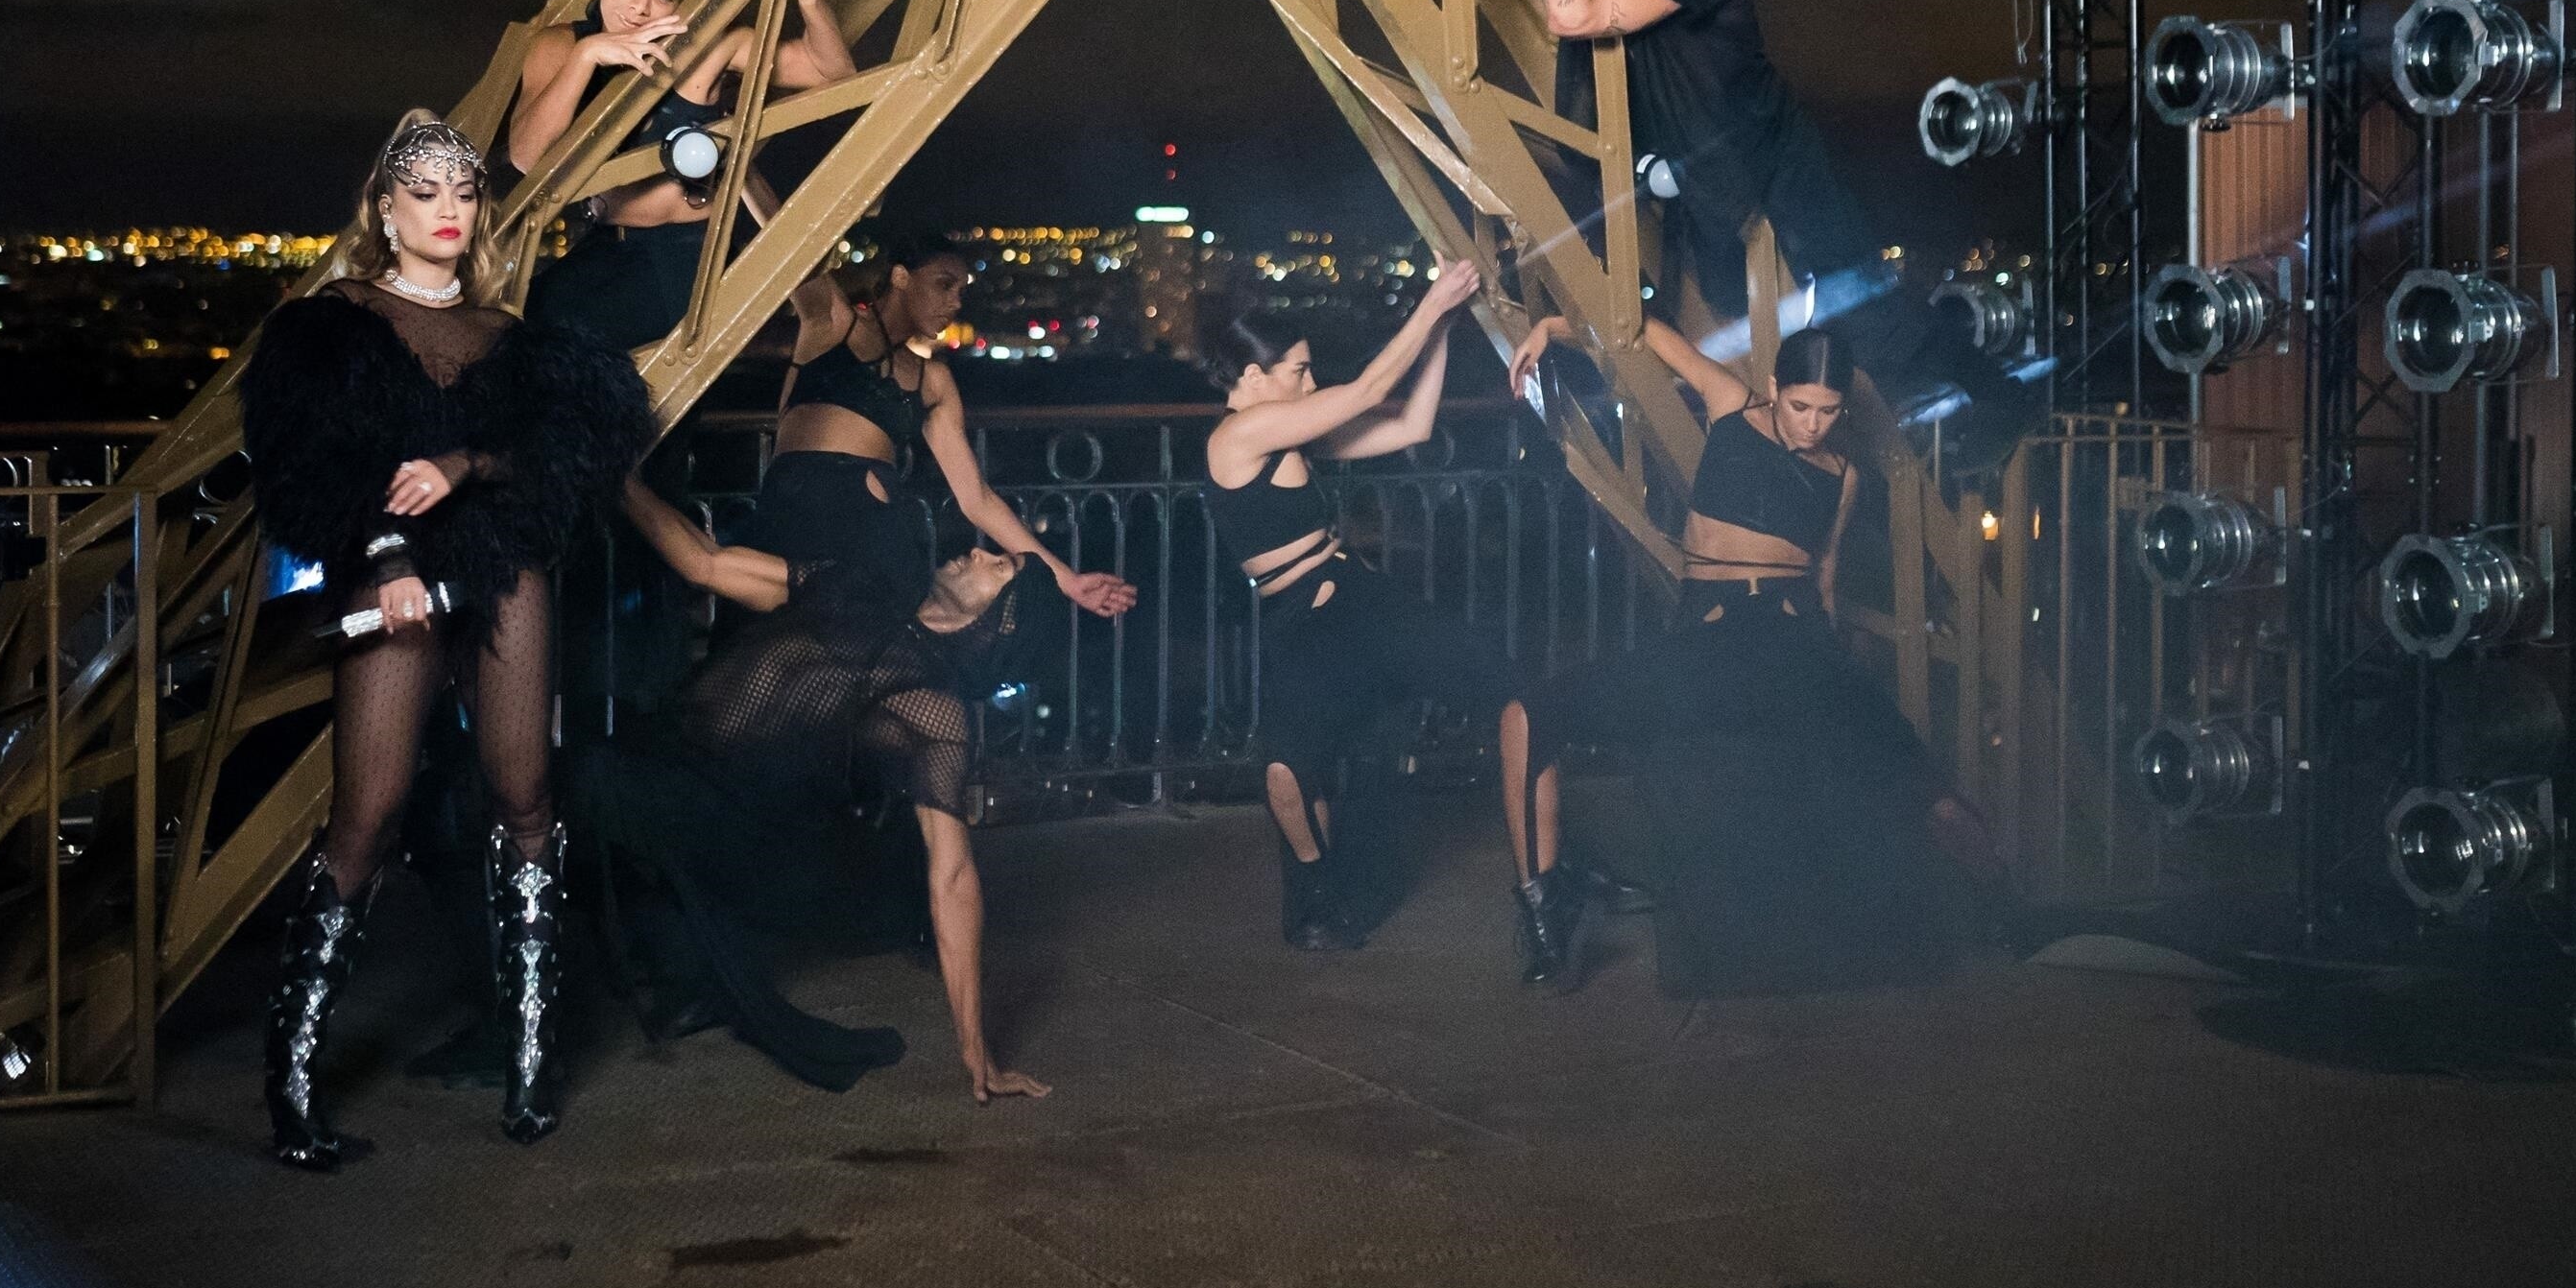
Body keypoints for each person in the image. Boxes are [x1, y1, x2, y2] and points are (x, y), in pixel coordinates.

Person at [238, 110, 650, 1163]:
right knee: (369, 810)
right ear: (385, 210)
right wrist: (387, 558)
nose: (448, 212)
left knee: (525, 795)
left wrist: (466, 464)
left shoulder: (508, 336)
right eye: (424, 194)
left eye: (463, 193)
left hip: (501, 560)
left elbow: (566, 455)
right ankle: (290, 1083)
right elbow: (311, 463)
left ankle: (531, 1064)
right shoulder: (333, 322)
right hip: (393, 571)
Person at [1504, 311, 1989, 991]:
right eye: (1800, 406)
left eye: (1829, 411)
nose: (1813, 425)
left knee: (1909, 768)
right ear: (1774, 387)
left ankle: (1996, 901)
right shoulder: (1731, 406)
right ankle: (1545, 915)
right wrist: (1550, 328)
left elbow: (1825, 575)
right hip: (1706, 633)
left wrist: (1832, 667)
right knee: (1527, 716)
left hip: (1789, 636)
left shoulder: (1842, 474)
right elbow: (1639, 329)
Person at [1529, 0, 2009, 448]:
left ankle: (1997, 400)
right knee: (1723, 304)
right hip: (1701, 159)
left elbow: (1572, 15)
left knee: (1864, 302)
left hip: (1772, 143)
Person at [578, 488, 1055, 1103]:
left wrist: (975, 1051)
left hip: (720, 820)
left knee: (567, 797)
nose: (980, 552)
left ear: (1000, 623)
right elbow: (706, 563)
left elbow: (954, 875)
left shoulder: (932, 710)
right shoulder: (858, 586)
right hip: (658, 750)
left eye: (1001, 567)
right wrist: (619, 478)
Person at [1200, 259, 1553, 966]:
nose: (1310, 382)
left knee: (1516, 693)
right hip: (1303, 621)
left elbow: (1412, 424)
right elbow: (1366, 388)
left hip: (1359, 600)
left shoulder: (1289, 434)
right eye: (1299, 371)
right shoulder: (1235, 436)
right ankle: (1315, 898)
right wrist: (1431, 303)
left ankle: (1545, 891)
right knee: (1289, 764)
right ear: (1253, 378)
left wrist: (1443, 329)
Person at [508, 0, 854, 351]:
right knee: (511, 328)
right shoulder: (561, 46)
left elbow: (833, 74)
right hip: (608, 245)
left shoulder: (709, 47)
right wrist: (587, 56)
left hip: (684, 258)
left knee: (535, 344)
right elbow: (527, 158)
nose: (641, 7)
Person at [758, 233, 1136, 619]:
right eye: (944, 285)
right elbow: (787, 235)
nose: (955, 302)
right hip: (794, 518)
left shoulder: (933, 379)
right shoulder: (834, 322)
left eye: (960, 292)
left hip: (873, 544)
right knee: (771, 643)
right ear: (901, 277)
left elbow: (976, 498)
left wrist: (1067, 580)